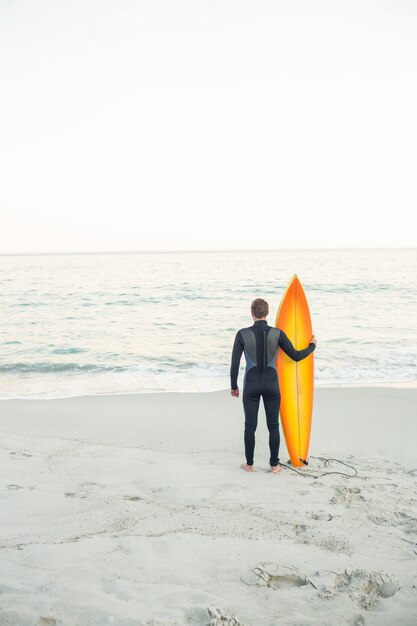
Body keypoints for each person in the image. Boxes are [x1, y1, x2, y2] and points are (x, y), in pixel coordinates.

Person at [230, 298, 317, 474]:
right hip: (272, 385)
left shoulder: (242, 334)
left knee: (250, 426)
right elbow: (296, 356)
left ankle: (249, 465)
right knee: (273, 425)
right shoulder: (278, 333)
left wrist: (234, 386)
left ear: (252, 313)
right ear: (267, 313)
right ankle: (275, 465)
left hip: (252, 385)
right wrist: (312, 346)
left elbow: (234, 363)